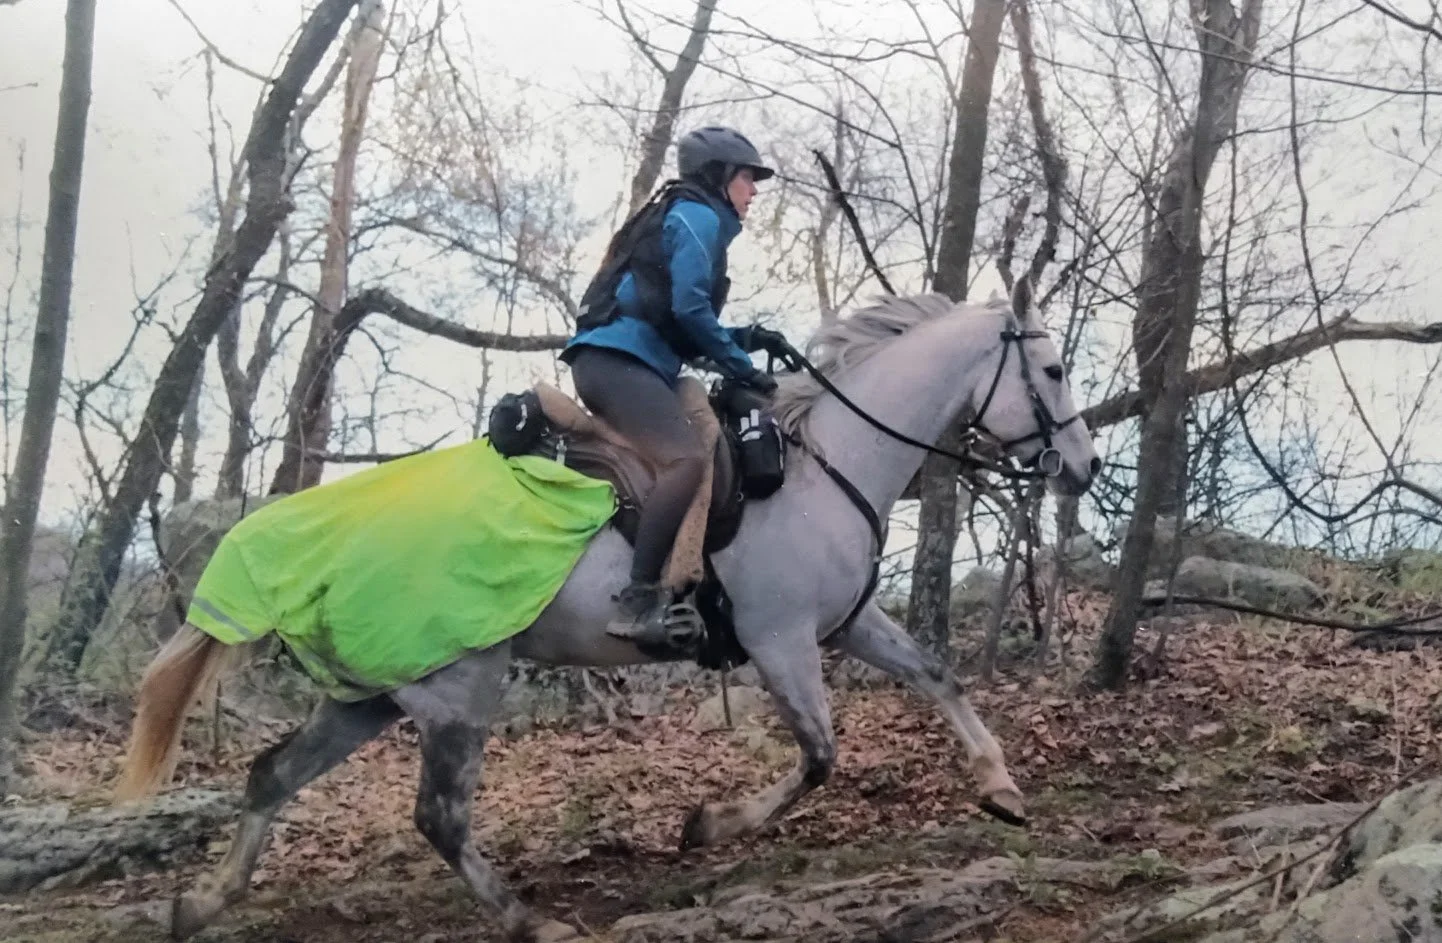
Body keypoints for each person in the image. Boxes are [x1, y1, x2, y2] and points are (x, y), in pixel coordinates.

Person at [561, 125, 789, 652]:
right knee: (684, 459)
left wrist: (746, 340)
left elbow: (680, 321)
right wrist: (743, 367)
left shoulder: (688, 216)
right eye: (747, 178)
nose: (753, 191)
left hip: (626, 359)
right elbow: (690, 311)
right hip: (616, 363)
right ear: (718, 176)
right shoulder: (699, 216)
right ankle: (640, 599)